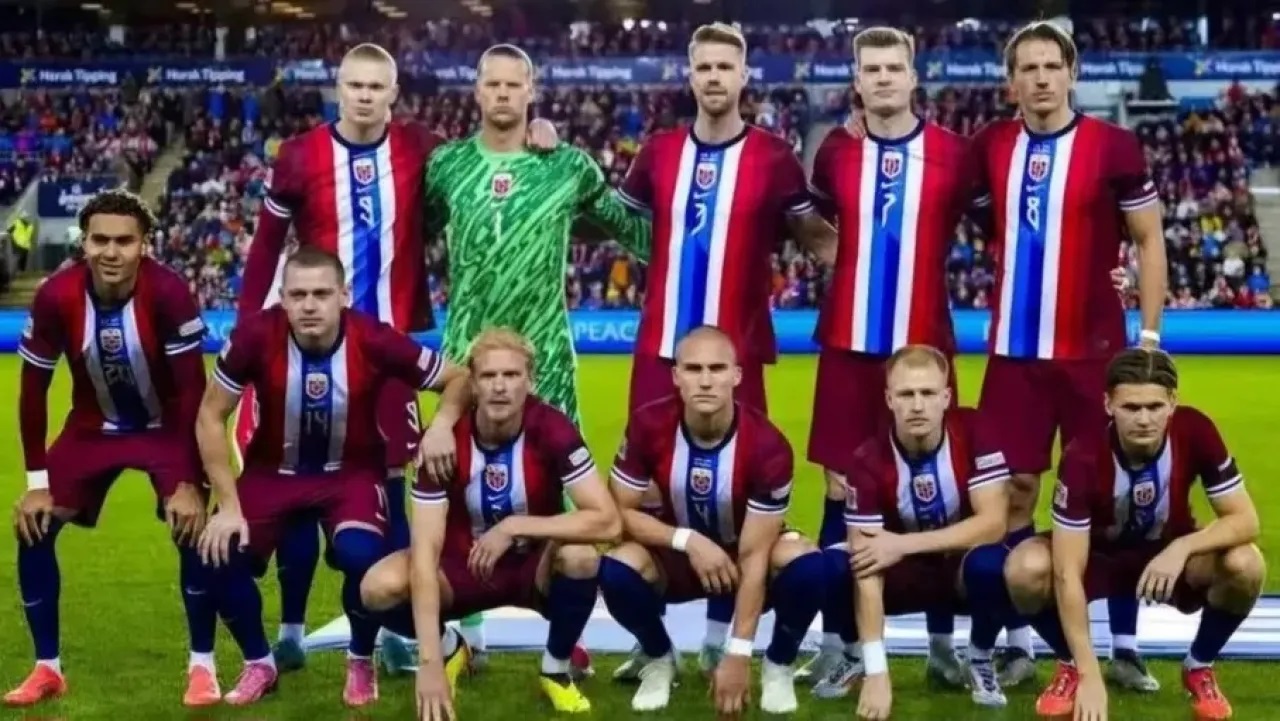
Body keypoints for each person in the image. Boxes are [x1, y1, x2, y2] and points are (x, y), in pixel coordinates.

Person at [235, 41, 558, 674]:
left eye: (374, 86)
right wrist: (250, 330)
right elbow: (267, 245)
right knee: (296, 475)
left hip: (389, 355)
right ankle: (292, 628)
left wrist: (534, 130)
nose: (363, 95)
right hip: (305, 349)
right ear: (339, 89)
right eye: (353, 85)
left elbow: (484, 154)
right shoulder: (298, 155)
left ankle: (394, 628)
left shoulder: (421, 148)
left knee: (391, 484)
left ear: (393, 94)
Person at [611, 20, 837, 681]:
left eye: (724, 67)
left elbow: (817, 239)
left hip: (738, 356)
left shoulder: (774, 157)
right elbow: (611, 220)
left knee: (737, 496)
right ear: (691, 76)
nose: (714, 77)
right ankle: (653, 640)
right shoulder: (657, 153)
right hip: (660, 350)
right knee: (651, 493)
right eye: (704, 67)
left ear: (743, 77)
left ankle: (718, 638)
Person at [422, 42, 649, 670]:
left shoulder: (568, 166)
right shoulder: (446, 166)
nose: (502, 94)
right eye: (491, 84)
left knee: (563, 491)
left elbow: (632, 230)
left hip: (546, 352)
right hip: (466, 355)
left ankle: (561, 630)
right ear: (476, 91)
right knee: (458, 486)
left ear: (531, 91)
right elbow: (406, 233)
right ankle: (464, 631)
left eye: (512, 84)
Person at [968, 20, 1169, 691]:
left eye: (1052, 66)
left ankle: (1125, 644)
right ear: (1011, 82)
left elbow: (1148, 240)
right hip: (1014, 356)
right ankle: (1019, 640)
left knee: (1109, 498)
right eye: (1028, 68)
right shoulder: (990, 146)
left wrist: (1148, 338)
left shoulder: (1114, 145)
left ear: (1071, 73)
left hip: (1095, 356)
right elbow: (954, 199)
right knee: (1013, 494)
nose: (1041, 78)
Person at [194, 247, 471, 707]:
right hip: (273, 473)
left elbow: (459, 378)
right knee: (216, 554)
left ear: (343, 295)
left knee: (362, 557)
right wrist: (226, 506)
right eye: (298, 294)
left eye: (321, 294)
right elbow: (210, 415)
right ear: (282, 298)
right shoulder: (254, 337)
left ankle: (360, 658)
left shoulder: (373, 338)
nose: (309, 305)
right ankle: (259, 662)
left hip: (351, 473)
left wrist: (441, 425)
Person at [802, 26, 968, 693]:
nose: (883, 78)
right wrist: (842, 265)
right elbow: (811, 224)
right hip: (848, 343)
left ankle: (942, 645)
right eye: (871, 69)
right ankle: (838, 643)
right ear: (857, 80)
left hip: (925, 348)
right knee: (839, 489)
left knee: (937, 490)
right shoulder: (835, 151)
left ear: (913, 76)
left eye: (894, 68)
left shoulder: (954, 153)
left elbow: (1006, 225)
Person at [7, 189, 217, 708]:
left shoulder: (168, 291)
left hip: (167, 429)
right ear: (83, 243)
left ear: (145, 245)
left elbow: (193, 392)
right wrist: (36, 484)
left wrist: (190, 481)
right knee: (33, 526)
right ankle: (47, 668)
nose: (111, 251)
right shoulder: (57, 295)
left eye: (124, 241)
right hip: (91, 429)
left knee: (192, 528)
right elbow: (32, 393)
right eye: (99, 240)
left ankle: (203, 666)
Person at [359, 328, 621, 716]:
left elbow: (608, 522)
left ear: (530, 381)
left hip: (534, 569)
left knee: (582, 557)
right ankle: (450, 648)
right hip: (461, 569)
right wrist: (430, 662)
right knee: (377, 587)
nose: (500, 386)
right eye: (488, 376)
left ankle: (555, 669)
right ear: (473, 384)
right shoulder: (442, 443)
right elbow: (425, 553)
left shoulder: (552, 428)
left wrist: (515, 527)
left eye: (511, 375)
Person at [1006, 349, 1263, 721]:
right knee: (1024, 568)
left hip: (1168, 555)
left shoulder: (1196, 430)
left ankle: (1199, 665)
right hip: (1098, 557)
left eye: (1154, 406)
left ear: (1172, 402)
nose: (1144, 419)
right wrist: (1090, 674)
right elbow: (1066, 572)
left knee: (1246, 563)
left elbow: (1245, 520)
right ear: (1108, 404)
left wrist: (1182, 548)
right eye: (1131, 407)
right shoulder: (1083, 454)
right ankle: (1071, 666)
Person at [598, 326, 826, 715]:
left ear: (737, 375)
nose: (705, 381)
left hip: (740, 561)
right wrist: (688, 541)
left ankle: (778, 663)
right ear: (676, 376)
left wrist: (738, 653)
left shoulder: (768, 446)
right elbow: (617, 516)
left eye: (717, 369)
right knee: (615, 567)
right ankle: (659, 657)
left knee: (808, 563)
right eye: (694, 369)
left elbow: (754, 555)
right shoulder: (648, 425)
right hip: (676, 559)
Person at [824, 345, 1011, 720]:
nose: (918, 405)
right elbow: (867, 562)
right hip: (903, 576)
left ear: (946, 397)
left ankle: (979, 657)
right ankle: (858, 656)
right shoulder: (867, 459)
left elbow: (993, 524)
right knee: (832, 567)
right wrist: (879, 671)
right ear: (889, 399)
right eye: (907, 394)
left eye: (928, 393)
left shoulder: (975, 431)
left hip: (958, 570)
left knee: (995, 564)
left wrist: (904, 544)